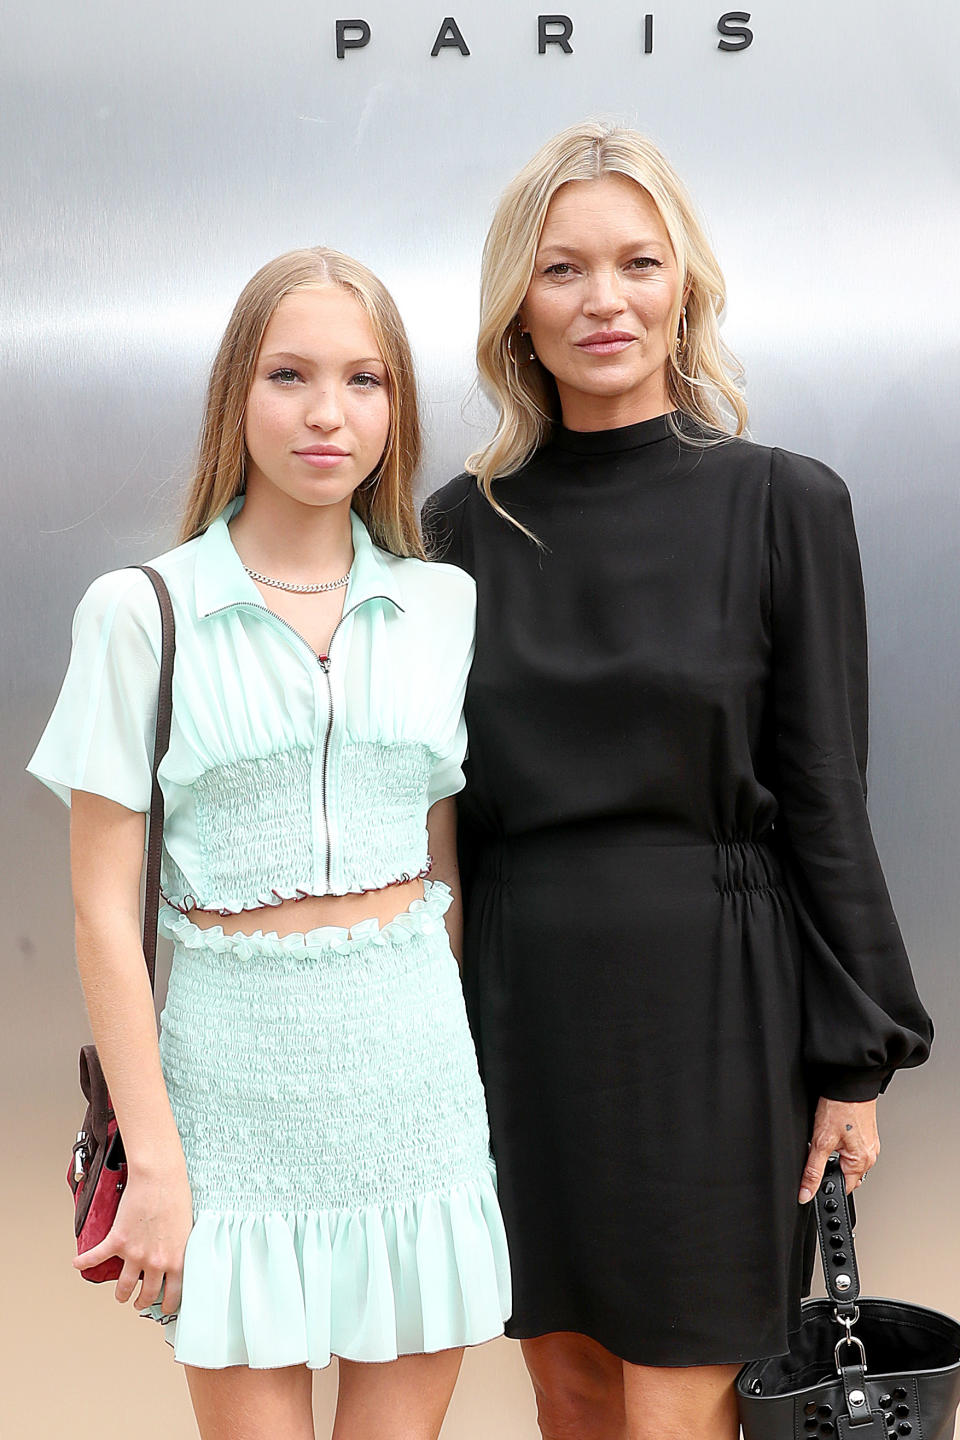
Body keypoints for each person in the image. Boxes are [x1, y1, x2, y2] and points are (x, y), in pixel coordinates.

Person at [423, 122, 933, 1440]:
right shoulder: (456, 533)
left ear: (685, 289)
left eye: (638, 263)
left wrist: (857, 1057)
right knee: (570, 1388)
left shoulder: (783, 505)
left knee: (681, 1404)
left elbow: (824, 791)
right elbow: (433, 819)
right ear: (515, 313)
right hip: (518, 1007)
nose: (606, 301)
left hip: (714, 1008)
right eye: (563, 271)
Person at [28, 246, 511, 1440]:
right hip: (228, 1097)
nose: (326, 413)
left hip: (414, 1088)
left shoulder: (442, 603)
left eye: (364, 380)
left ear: (396, 406)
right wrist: (154, 1157)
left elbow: (440, 859)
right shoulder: (141, 610)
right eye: (290, 374)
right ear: (236, 394)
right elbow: (101, 911)